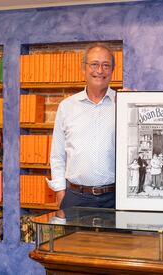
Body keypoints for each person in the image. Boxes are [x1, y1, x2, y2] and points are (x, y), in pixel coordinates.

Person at [47, 43, 117, 208]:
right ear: (83, 68)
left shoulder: (123, 103)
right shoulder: (67, 106)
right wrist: (60, 191)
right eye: (94, 64)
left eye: (106, 65)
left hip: (115, 199)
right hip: (75, 198)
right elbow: (57, 155)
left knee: (116, 236)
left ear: (112, 70)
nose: (99, 70)